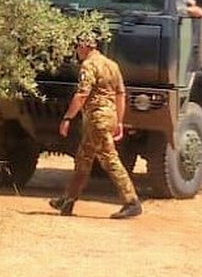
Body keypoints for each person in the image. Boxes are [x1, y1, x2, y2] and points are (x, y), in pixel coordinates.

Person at [49, 32, 143, 219]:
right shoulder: (112, 65)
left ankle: (131, 201)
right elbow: (120, 95)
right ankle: (68, 200)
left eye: (78, 47)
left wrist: (67, 118)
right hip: (108, 117)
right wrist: (119, 121)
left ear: (85, 47)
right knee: (83, 158)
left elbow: (82, 94)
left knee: (109, 158)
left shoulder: (89, 65)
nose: (76, 51)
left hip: (96, 118)